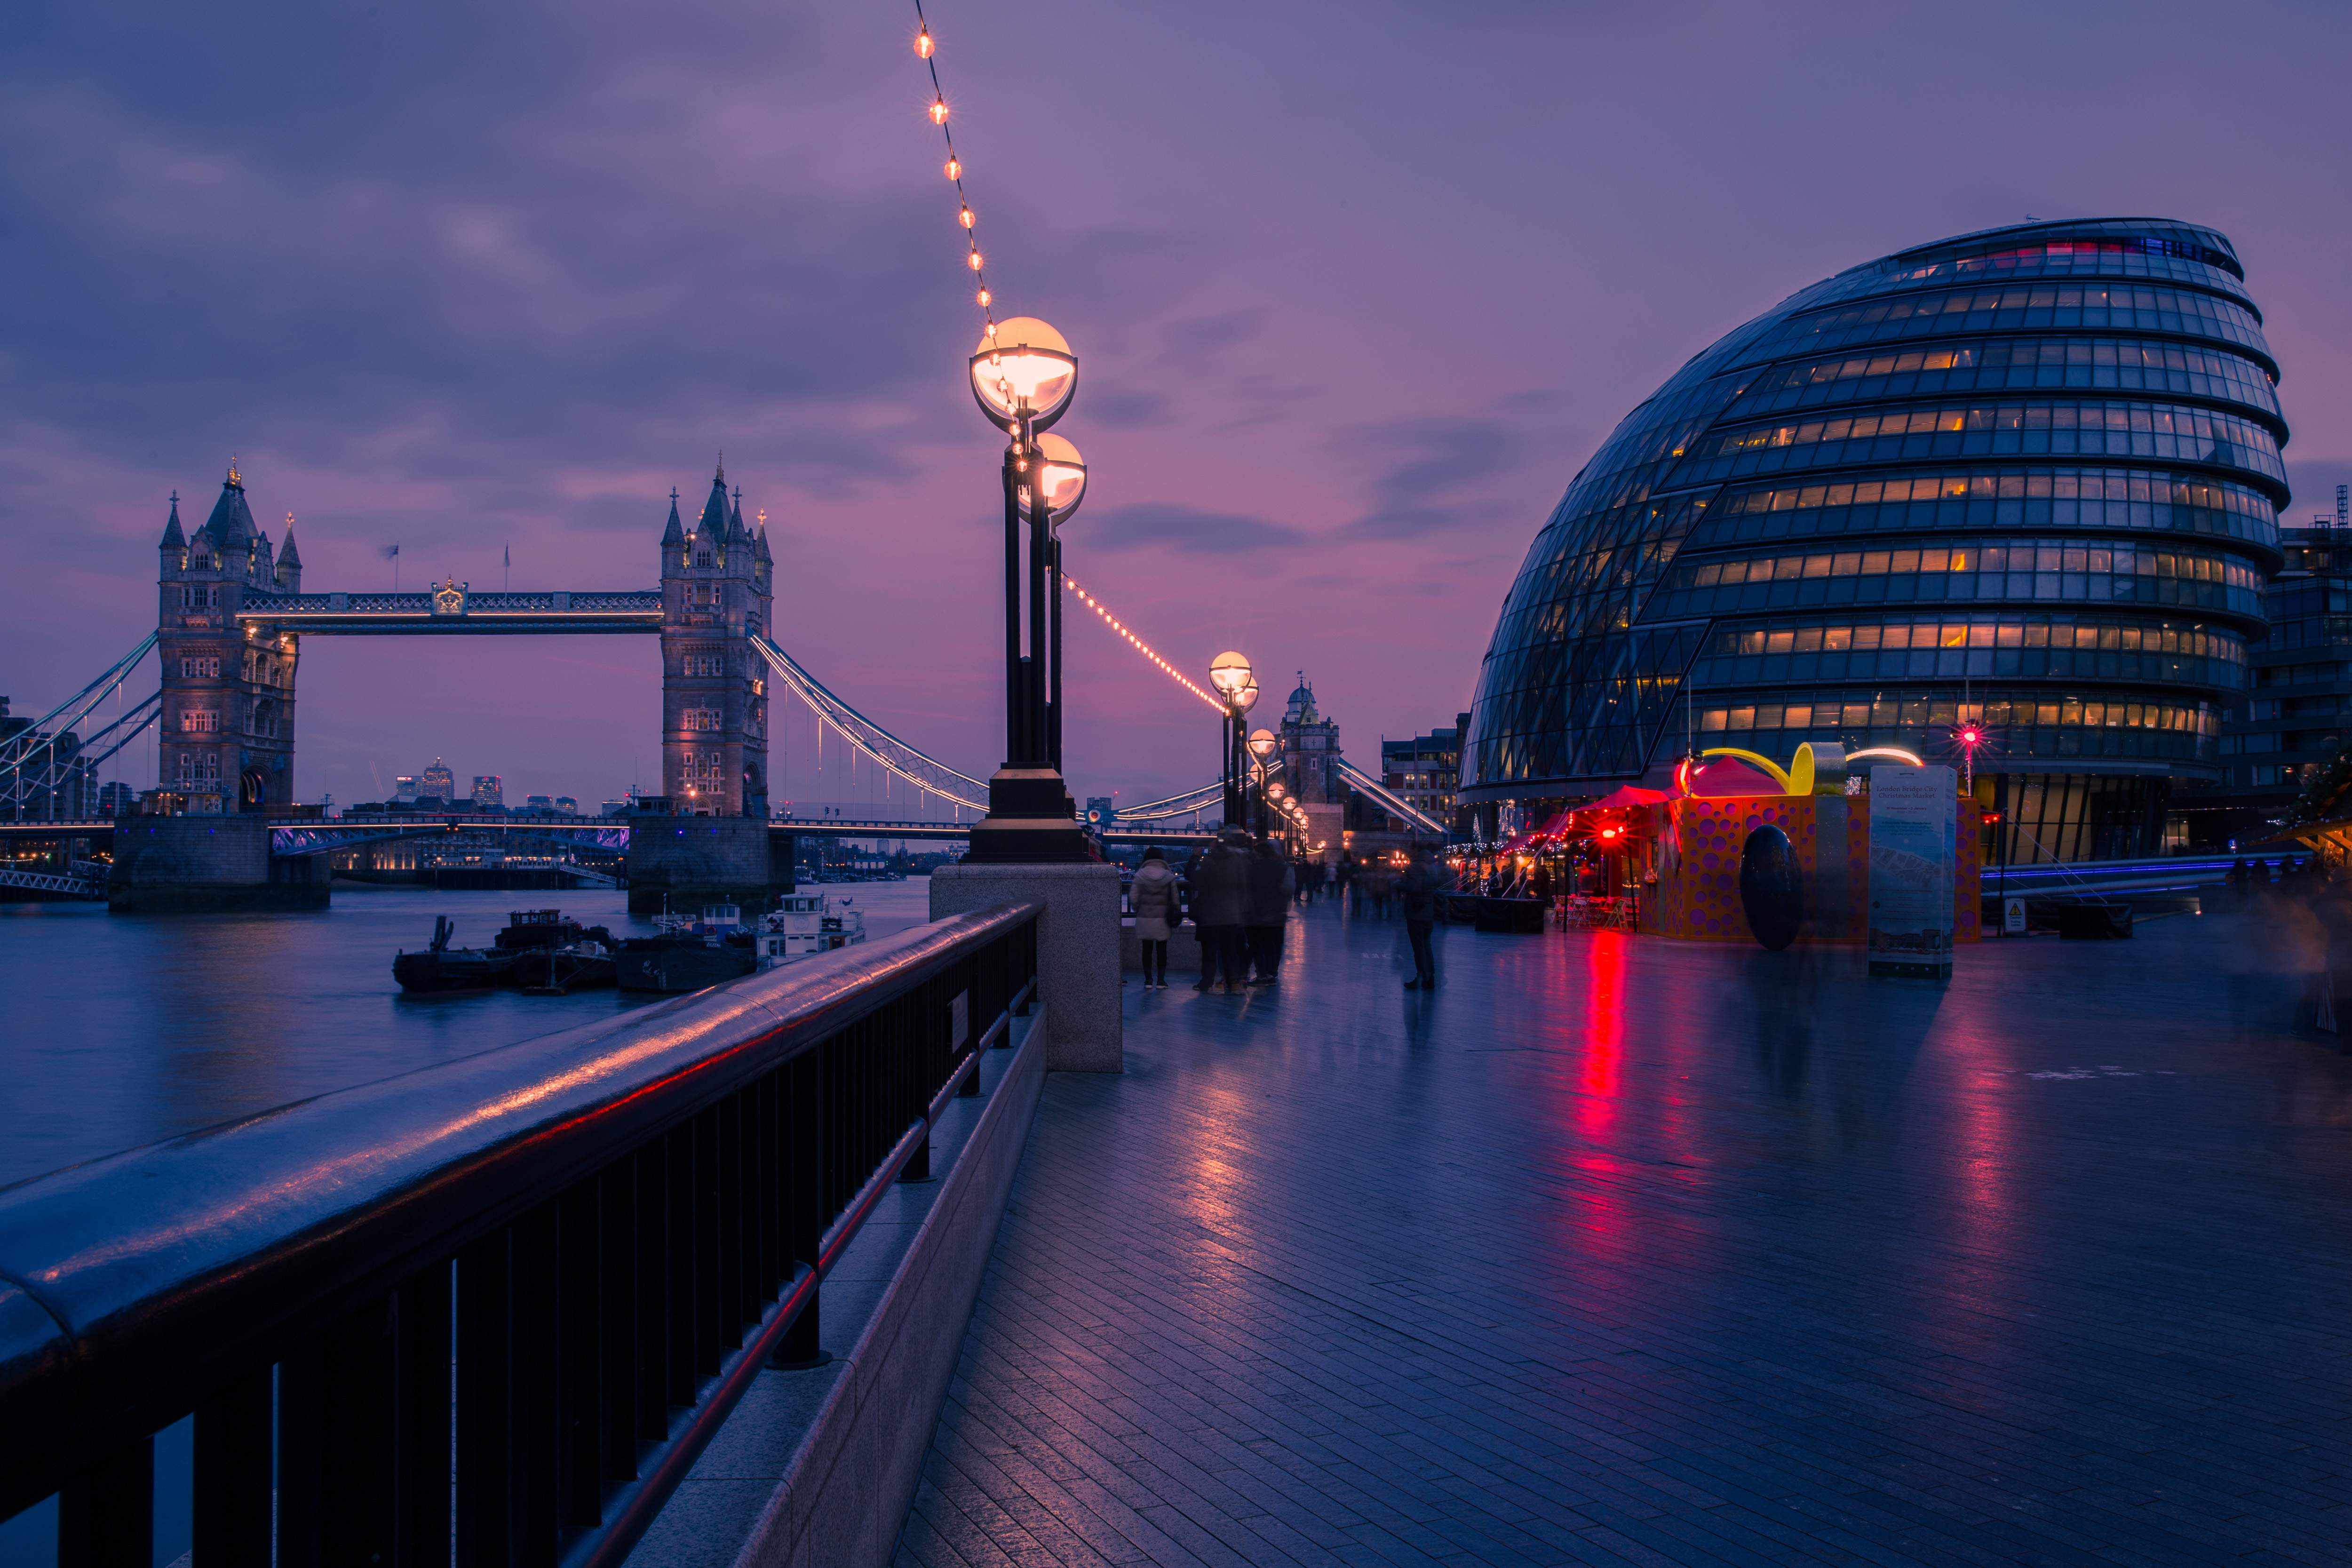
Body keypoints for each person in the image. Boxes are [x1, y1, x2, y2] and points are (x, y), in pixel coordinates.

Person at [1190, 827, 1252, 993]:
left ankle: (1206, 983)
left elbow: (1195, 881)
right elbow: (1243, 887)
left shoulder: (1208, 863)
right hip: (1231, 914)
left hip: (1210, 915)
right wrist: (1240, 910)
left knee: (1210, 953)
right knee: (1230, 951)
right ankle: (1234, 983)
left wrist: (1196, 858)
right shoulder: (1237, 863)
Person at [1246, 836, 1295, 984]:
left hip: (1258, 913)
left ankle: (1262, 975)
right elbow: (1289, 890)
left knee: (1258, 945)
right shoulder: (1285, 868)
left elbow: (1247, 889)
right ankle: (1272, 974)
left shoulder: (1254, 868)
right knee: (1274, 944)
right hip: (1278, 912)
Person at [1130, 846, 1179, 990]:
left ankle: (1148, 981)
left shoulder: (1140, 875)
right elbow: (1176, 900)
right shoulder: (1168, 876)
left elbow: (1134, 898)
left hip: (1145, 917)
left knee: (1147, 950)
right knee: (1162, 950)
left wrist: (1140, 909)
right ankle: (1161, 981)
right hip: (1163, 918)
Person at [1399, 844, 1443, 990]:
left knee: (1418, 947)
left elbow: (1414, 887)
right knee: (1427, 945)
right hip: (1429, 912)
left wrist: (1399, 885)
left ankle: (1422, 977)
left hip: (1416, 911)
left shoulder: (1416, 866)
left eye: (1410, 849)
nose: (1409, 852)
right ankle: (1430, 977)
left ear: (1416, 850)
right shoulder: (1432, 866)